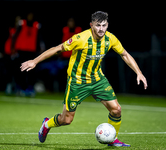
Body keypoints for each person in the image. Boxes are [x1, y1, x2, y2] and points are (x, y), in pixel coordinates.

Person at [20, 11, 148, 147]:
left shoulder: (110, 38)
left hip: (98, 80)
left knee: (116, 109)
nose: (101, 29)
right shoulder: (80, 38)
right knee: (67, 119)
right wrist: (35, 61)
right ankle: (47, 124)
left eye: (104, 25)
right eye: (98, 25)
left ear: (107, 25)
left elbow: (125, 54)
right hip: (77, 82)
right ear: (91, 25)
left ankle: (112, 139)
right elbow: (57, 49)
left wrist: (138, 72)